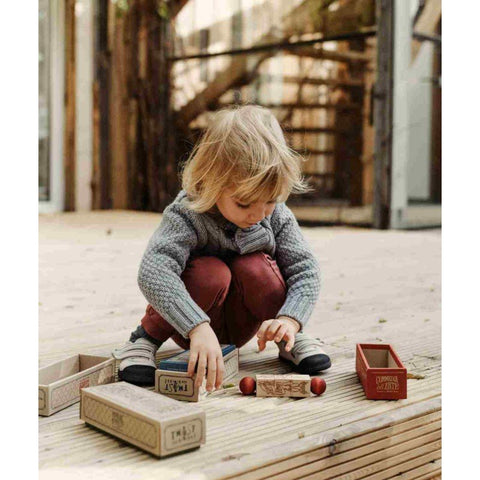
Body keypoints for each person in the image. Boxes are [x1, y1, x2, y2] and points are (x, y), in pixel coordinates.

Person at [113, 105, 331, 391]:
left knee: (254, 266)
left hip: (244, 323)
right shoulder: (187, 213)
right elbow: (154, 270)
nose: (260, 213)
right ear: (211, 181)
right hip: (187, 323)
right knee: (211, 272)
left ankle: (288, 339)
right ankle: (144, 339)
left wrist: (290, 319)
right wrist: (196, 326)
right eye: (244, 203)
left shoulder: (275, 215)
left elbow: (306, 270)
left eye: (270, 200)